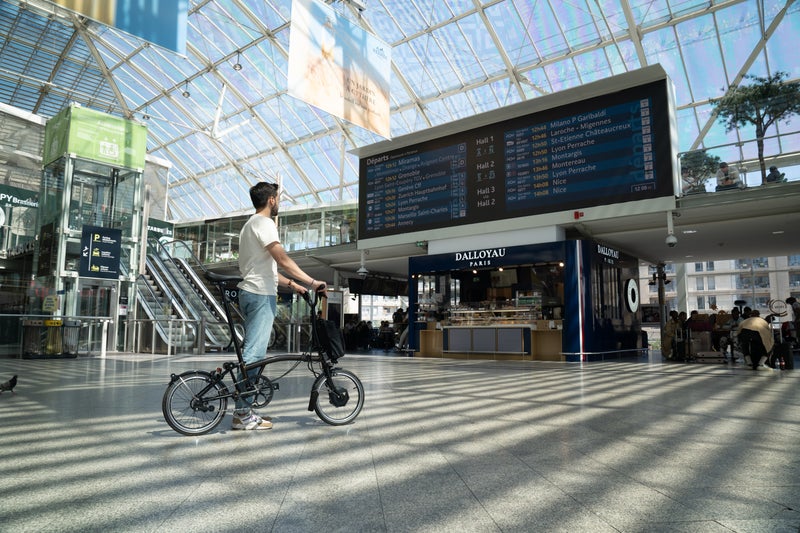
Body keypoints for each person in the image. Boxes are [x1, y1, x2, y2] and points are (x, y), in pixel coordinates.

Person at [235, 181, 328, 430]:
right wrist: (311, 281)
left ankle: (245, 408)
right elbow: (282, 259)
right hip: (259, 295)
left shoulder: (249, 225)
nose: (279, 203)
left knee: (252, 352)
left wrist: (293, 285)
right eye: (278, 198)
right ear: (272, 200)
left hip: (252, 292)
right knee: (254, 355)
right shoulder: (264, 223)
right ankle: (242, 413)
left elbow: (268, 270)